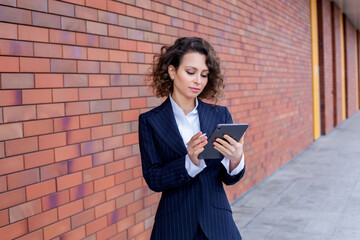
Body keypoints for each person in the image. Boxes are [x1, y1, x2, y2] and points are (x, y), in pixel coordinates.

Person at [138, 37, 246, 240]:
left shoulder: (220, 116)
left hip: (217, 222)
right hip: (173, 225)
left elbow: (229, 178)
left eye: (204, 75)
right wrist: (190, 163)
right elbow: (153, 178)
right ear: (172, 72)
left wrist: (236, 159)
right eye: (191, 72)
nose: (198, 80)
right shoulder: (150, 121)